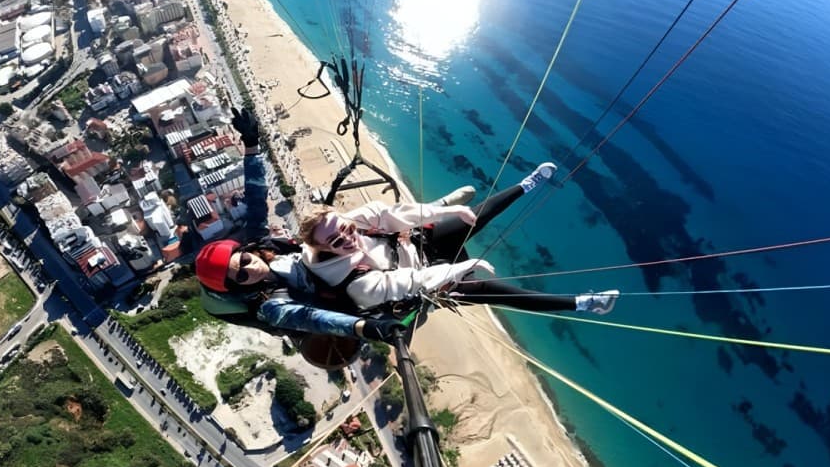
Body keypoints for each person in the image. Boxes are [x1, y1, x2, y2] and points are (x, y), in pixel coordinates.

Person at [195, 108, 407, 343]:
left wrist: (252, 146)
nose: (251, 268)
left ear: (245, 251)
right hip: (334, 296)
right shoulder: (270, 307)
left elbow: (256, 197)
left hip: (319, 262)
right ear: (240, 288)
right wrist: (364, 328)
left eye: (244, 261)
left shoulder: (261, 244)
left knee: (348, 223)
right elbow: (313, 318)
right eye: (243, 276)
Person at [298, 165, 619, 315]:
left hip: (419, 245)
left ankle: (525, 185)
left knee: (475, 214)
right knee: (494, 292)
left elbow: (396, 215)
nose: (347, 238)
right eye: (337, 241)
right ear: (325, 249)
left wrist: (446, 211)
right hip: (427, 282)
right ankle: (584, 303)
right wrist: (464, 267)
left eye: (346, 228)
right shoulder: (355, 283)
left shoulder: (353, 221)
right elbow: (412, 281)